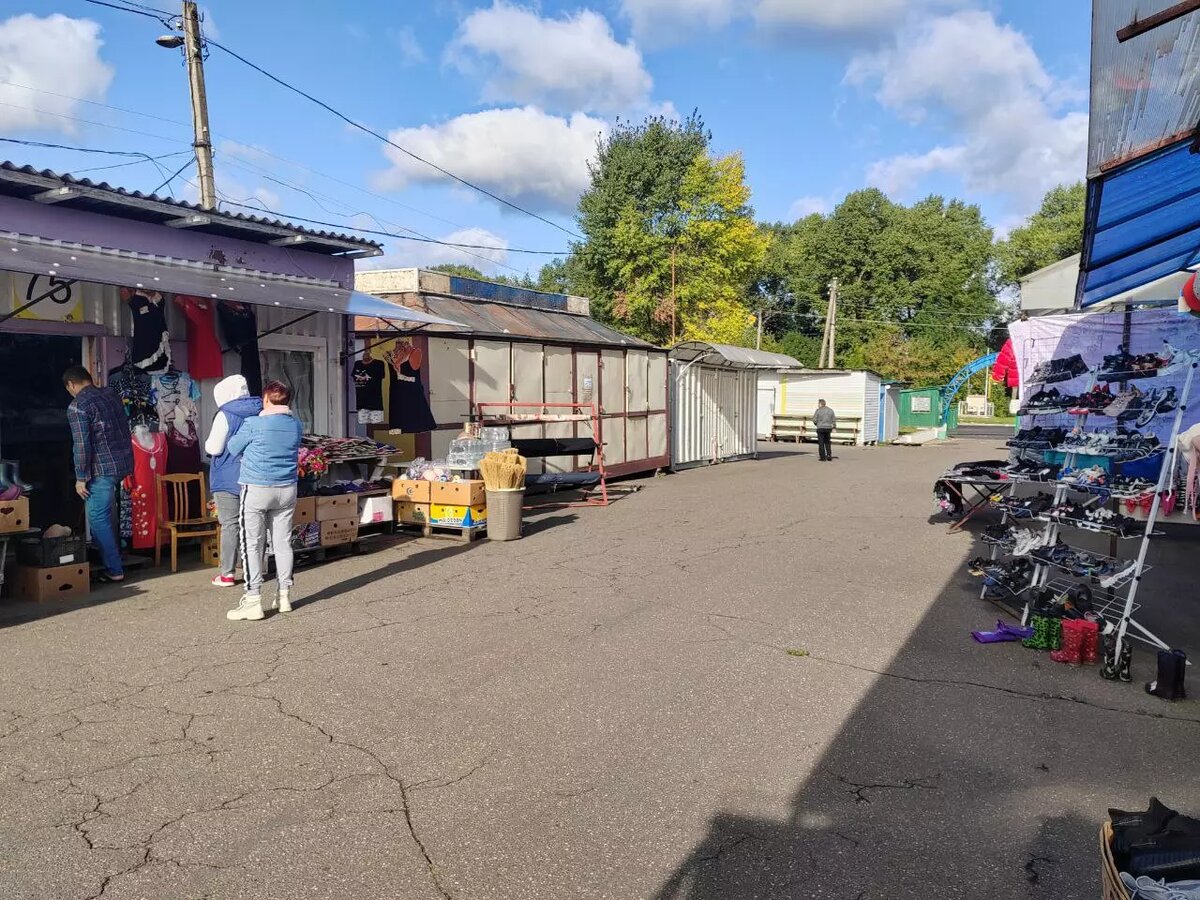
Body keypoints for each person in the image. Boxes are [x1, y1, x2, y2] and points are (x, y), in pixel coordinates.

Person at [225, 380, 302, 621]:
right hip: (287, 489)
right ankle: (284, 596)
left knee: (252, 544)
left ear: (266, 399)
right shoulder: (296, 425)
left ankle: (253, 599)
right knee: (282, 543)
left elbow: (232, 446)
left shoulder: (254, 423)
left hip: (257, 487)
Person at [63, 366, 134, 583]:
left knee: (98, 518)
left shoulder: (78, 407)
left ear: (71, 385)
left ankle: (114, 569)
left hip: (102, 469)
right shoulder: (110, 394)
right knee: (112, 512)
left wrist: (81, 477)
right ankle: (115, 556)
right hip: (123, 463)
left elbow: (82, 445)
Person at [205, 374, 262, 588]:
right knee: (254, 524)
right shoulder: (260, 410)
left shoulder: (225, 414)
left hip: (227, 476)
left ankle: (227, 574)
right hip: (255, 473)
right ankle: (253, 571)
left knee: (230, 524)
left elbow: (214, 447)